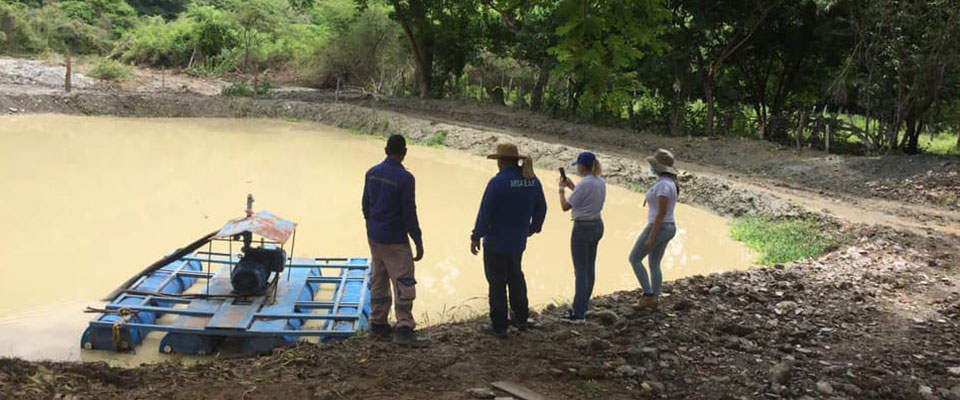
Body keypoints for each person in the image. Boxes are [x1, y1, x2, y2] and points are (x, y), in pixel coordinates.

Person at [470, 143, 548, 339]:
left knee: (497, 283)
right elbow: (542, 208)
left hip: (496, 242)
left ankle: (499, 326)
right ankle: (521, 318)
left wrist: (475, 236)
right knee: (515, 277)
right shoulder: (532, 180)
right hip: (517, 242)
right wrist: (533, 229)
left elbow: (485, 213)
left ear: (502, 162)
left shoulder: (498, 182)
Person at [361, 134, 429, 347]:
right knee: (403, 280)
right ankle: (404, 328)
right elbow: (409, 212)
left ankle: (378, 323)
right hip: (395, 238)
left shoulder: (371, 173)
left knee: (379, 277)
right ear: (404, 152)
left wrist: (371, 227)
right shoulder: (405, 178)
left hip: (375, 235)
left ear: (385, 150)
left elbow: (365, 204)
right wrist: (417, 240)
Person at [558, 152, 606, 324]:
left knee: (580, 272)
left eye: (578, 165)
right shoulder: (600, 181)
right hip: (597, 225)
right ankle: (584, 306)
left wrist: (562, 190)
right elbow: (587, 198)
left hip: (582, 227)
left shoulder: (585, 183)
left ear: (582, 166)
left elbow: (565, 206)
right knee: (589, 268)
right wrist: (573, 187)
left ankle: (578, 314)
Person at [629, 148, 680, 310]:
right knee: (654, 263)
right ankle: (655, 298)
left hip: (659, 226)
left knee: (635, 259)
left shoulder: (664, 185)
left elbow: (661, 212)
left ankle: (648, 295)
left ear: (659, 167)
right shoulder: (668, 183)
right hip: (669, 227)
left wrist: (652, 235)